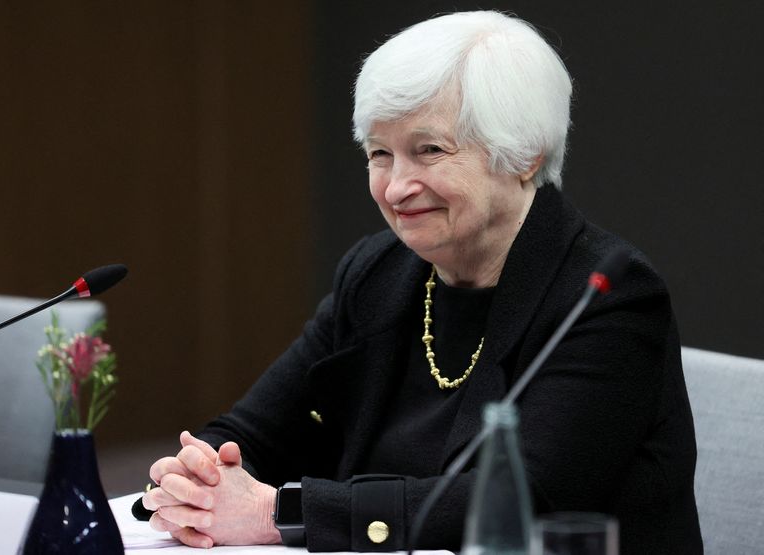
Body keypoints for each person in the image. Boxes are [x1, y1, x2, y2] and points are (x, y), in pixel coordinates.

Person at [141, 11, 703, 554]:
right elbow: (253, 429)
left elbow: (525, 499)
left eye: (429, 151)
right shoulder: (379, 271)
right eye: (380, 154)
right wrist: (200, 476)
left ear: (526, 155)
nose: (395, 187)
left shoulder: (608, 295)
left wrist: (276, 513)